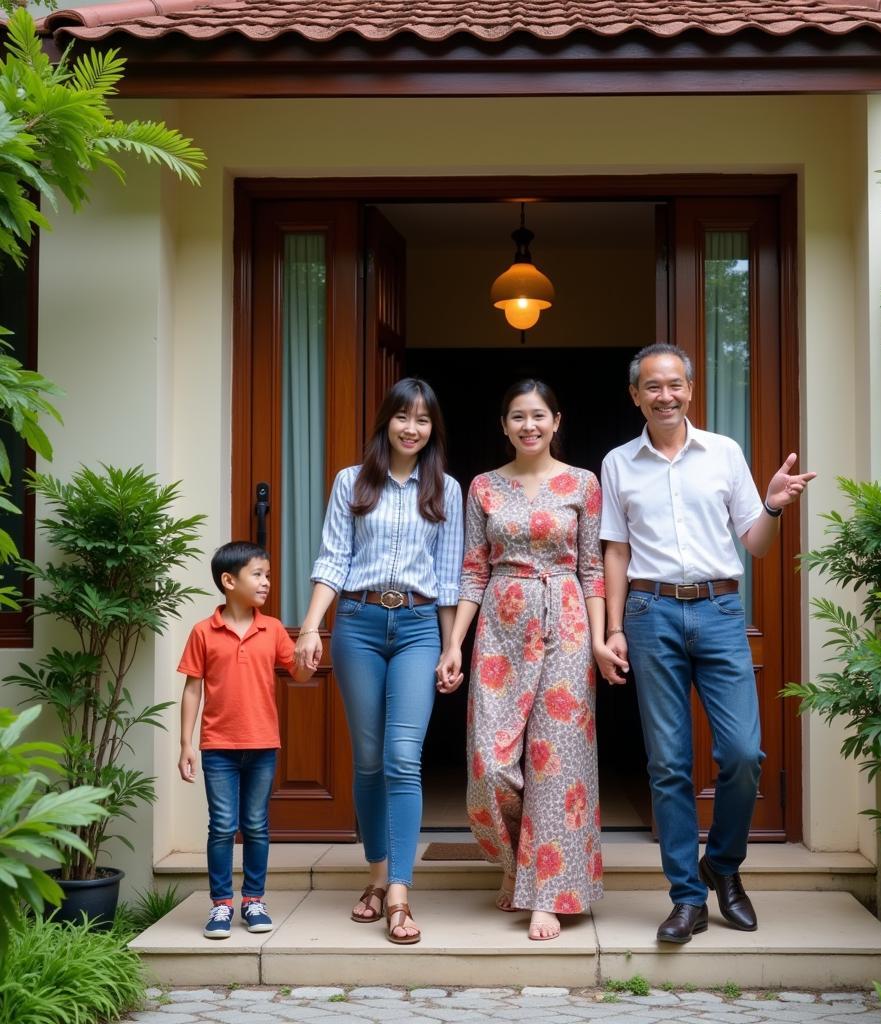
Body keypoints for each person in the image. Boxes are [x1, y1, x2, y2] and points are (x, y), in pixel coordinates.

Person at [599, 343, 815, 944]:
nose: (664, 395)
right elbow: (615, 550)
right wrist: (614, 627)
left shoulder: (723, 453)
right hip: (648, 611)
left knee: (744, 755)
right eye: (652, 386)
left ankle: (722, 865)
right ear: (635, 395)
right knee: (668, 765)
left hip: (719, 610)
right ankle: (687, 898)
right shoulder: (618, 463)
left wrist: (772, 503)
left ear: (690, 390)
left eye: (675, 384)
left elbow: (758, 543)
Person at [437, 379, 617, 942]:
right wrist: (454, 645)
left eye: (539, 416)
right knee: (491, 765)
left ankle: (548, 893)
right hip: (500, 627)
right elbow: (472, 569)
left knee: (556, 762)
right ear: (504, 425)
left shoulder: (583, 484)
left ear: (557, 421)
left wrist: (598, 637)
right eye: (518, 417)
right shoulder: (484, 487)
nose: (529, 426)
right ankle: (518, 864)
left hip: (566, 621)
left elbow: (591, 567)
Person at [293, 377, 463, 945]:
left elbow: (447, 577)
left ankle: (399, 893)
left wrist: (451, 646)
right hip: (359, 626)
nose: (412, 429)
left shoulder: (446, 488)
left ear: (432, 428)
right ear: (386, 421)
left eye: (423, 420)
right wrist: (312, 626)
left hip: (417, 627)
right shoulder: (352, 482)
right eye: (402, 417)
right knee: (367, 760)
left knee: (400, 757)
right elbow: (333, 558)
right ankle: (375, 876)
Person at [178, 541, 314, 939]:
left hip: (262, 745)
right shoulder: (203, 632)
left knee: (256, 824)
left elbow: (298, 674)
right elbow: (192, 689)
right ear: (228, 580)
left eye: (268, 575)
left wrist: (307, 659)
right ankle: (221, 904)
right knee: (222, 825)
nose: (266, 582)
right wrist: (186, 743)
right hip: (217, 747)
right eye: (257, 574)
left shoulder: (271, 629)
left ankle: (254, 899)